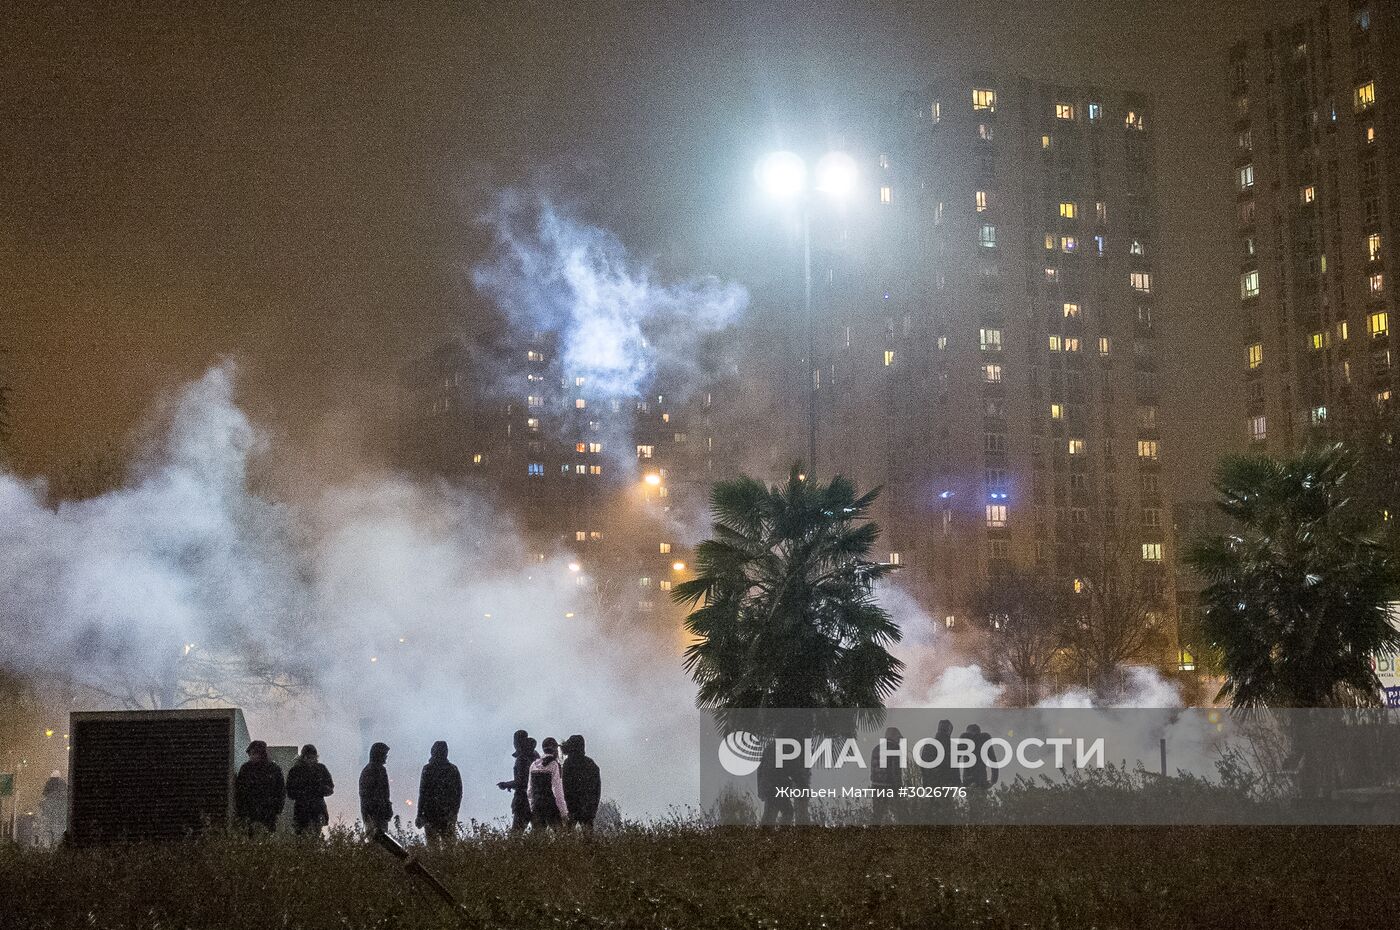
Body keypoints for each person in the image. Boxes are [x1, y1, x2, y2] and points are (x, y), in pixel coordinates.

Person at [416, 740, 462, 845]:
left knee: (433, 847)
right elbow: (458, 794)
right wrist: (453, 812)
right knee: (449, 846)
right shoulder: (453, 769)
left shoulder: (428, 769)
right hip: (446, 814)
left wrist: (419, 815)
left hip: (430, 814)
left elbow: (422, 794)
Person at [234, 741, 285, 833]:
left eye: (254, 753)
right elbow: (239, 791)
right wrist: (241, 811)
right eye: (251, 754)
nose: (252, 756)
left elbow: (280, 791)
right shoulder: (246, 769)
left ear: (261, 754)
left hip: (268, 812)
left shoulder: (274, 769)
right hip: (250, 811)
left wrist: (277, 809)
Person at [285, 744, 334, 835]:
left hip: (317, 809)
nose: (310, 760)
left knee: (314, 838)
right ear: (303, 757)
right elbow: (290, 792)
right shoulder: (295, 771)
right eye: (308, 757)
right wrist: (305, 792)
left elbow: (330, 788)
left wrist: (317, 789)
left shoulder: (321, 769)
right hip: (302, 811)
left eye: (312, 757)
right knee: (302, 840)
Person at [497, 730, 538, 832]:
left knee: (516, 834)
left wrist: (506, 784)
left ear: (517, 742)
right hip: (536, 799)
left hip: (522, 800)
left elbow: (522, 781)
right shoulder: (535, 755)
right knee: (538, 835)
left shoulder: (521, 759)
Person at [560, 734, 601, 831]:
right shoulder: (591, 764)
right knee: (588, 838)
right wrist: (593, 808)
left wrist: (568, 807)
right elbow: (597, 789)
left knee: (567, 837)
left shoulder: (568, 763)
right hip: (588, 807)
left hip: (572, 806)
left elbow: (565, 788)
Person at [527, 737, 568, 830]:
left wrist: (532, 806)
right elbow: (557, 790)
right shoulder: (554, 765)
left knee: (537, 838)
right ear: (554, 749)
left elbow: (529, 790)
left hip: (537, 805)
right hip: (550, 805)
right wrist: (563, 812)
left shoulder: (533, 765)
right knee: (561, 836)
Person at [869, 727, 904, 824]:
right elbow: (895, 771)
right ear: (894, 737)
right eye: (898, 738)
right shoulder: (895, 749)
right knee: (899, 815)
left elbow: (872, 771)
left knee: (877, 815)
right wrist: (899, 788)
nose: (899, 741)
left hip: (876, 786)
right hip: (890, 786)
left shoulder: (876, 749)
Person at [358, 742, 392, 836]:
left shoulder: (371, 770)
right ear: (379, 755)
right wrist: (383, 807)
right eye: (384, 755)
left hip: (374, 812)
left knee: (377, 839)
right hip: (375, 813)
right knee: (378, 839)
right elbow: (377, 794)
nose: (386, 757)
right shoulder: (375, 770)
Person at [959, 723, 999, 790]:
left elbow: (955, 759)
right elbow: (993, 760)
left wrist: (957, 782)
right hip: (981, 779)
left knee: (971, 798)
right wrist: (993, 780)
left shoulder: (965, 740)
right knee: (981, 799)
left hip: (968, 779)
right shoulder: (984, 740)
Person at [929, 719, 959, 788]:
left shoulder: (929, 744)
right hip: (948, 783)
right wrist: (957, 783)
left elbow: (923, 766)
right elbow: (955, 768)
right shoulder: (952, 745)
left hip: (931, 783)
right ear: (949, 730)